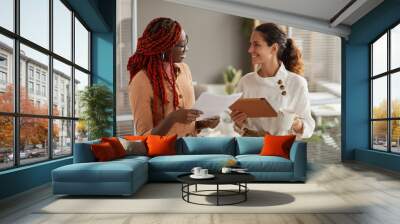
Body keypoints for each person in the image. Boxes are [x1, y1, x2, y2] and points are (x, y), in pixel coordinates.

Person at [127, 17, 219, 137]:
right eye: (181, 46)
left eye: (186, 43)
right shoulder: (141, 81)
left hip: (191, 149)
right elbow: (144, 137)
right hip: (166, 154)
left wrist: (203, 123)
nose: (187, 49)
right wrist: (172, 118)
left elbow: (187, 124)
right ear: (164, 48)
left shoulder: (185, 70)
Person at [230, 23, 315, 138]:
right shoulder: (245, 81)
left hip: (281, 150)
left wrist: (294, 122)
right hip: (250, 149)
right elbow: (238, 128)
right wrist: (238, 122)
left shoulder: (297, 83)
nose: (250, 50)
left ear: (274, 48)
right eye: (251, 44)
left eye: (256, 45)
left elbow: (309, 127)